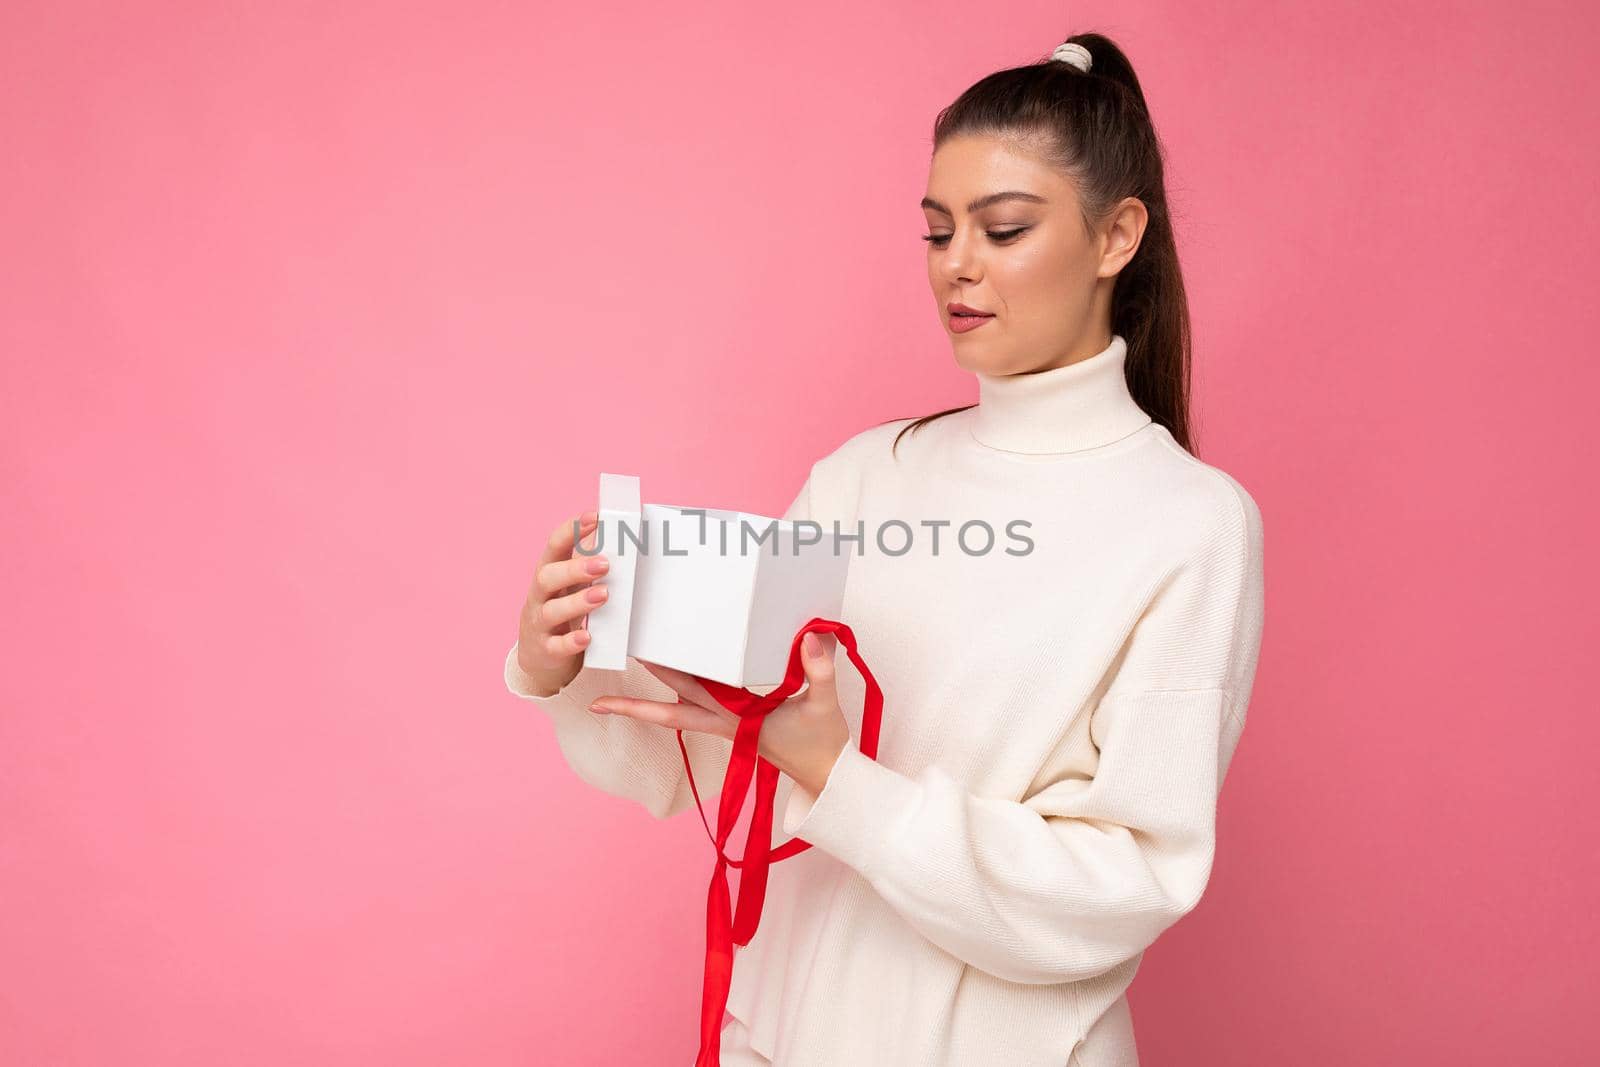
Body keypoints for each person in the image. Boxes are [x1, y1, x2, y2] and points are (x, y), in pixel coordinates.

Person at [505, 32, 1265, 1067]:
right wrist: (567, 660)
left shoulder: (1190, 521)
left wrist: (842, 779)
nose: (957, 264)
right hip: (785, 1031)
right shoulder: (869, 473)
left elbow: (1126, 882)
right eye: (937, 229)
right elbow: (725, 755)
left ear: (1116, 235)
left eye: (1002, 229)